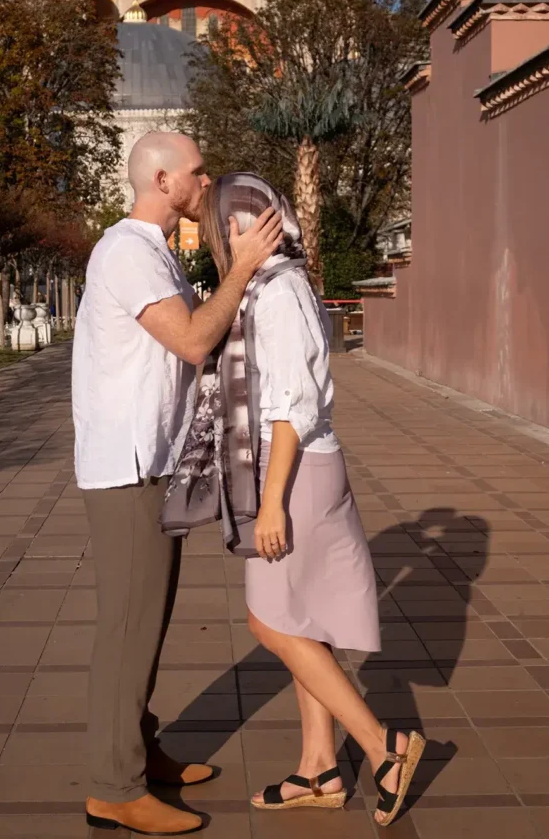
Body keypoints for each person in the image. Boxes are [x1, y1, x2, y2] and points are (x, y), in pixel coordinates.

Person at [182, 173, 425, 828]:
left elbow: (290, 407)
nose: (219, 238)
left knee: (272, 625)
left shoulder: (279, 293)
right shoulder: (269, 286)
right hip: (296, 469)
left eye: (226, 226)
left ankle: (384, 749)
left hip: (291, 473)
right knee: (300, 621)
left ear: (256, 226)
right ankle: (319, 767)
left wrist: (269, 505)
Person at [71, 133, 283, 837]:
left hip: (150, 462)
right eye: (196, 171)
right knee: (128, 627)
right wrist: (245, 267)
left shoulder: (153, 248)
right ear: (162, 180)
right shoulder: (127, 252)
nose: (205, 177)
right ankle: (112, 785)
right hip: (126, 466)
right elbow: (192, 340)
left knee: (148, 621)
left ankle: (139, 749)